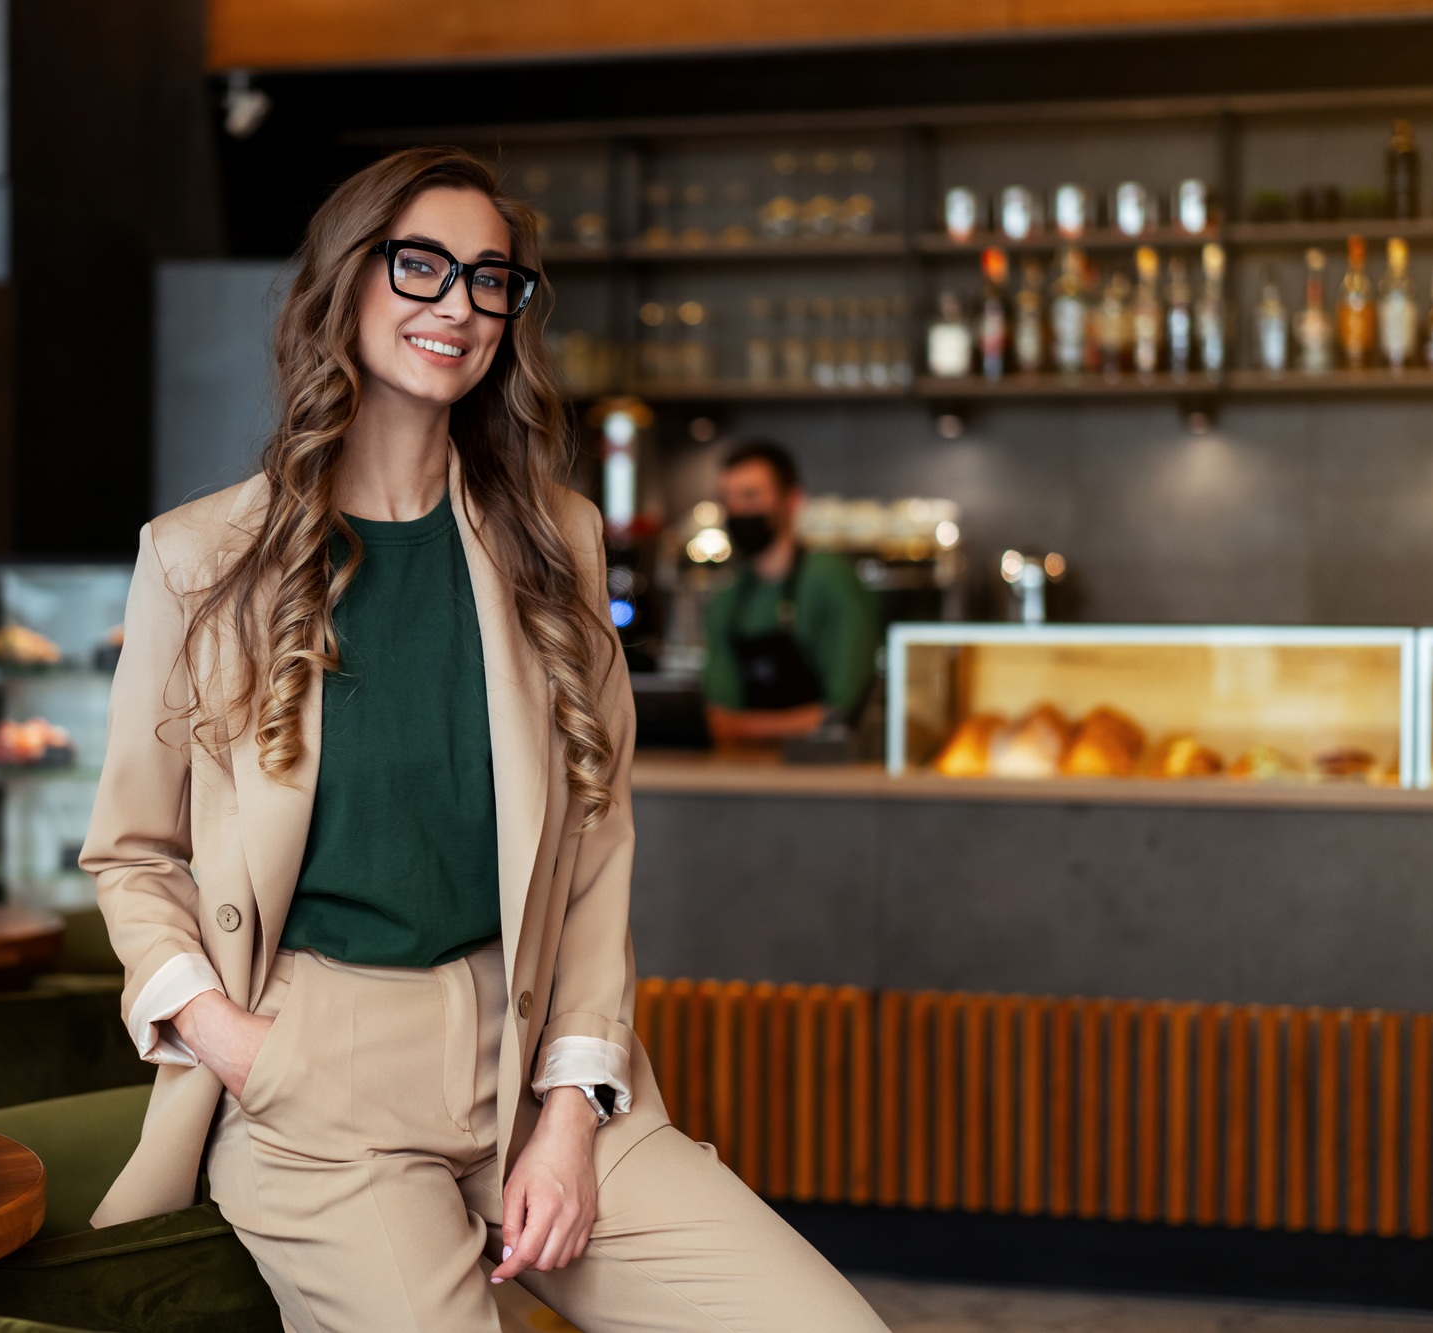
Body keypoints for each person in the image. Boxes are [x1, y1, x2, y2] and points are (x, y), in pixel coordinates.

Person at [80, 146, 889, 1333]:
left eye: (488, 278)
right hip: (319, 1076)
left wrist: (568, 1110)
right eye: (420, 267)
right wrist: (235, 1042)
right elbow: (132, 849)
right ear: (347, 282)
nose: (455, 304)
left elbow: (598, 849)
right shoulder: (201, 560)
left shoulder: (556, 543)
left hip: (531, 1063)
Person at [701, 441, 878, 747]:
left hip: (831, 771)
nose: (737, 510)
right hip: (747, 771)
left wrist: (741, 727)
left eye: (750, 496)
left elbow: (839, 712)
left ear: (792, 501)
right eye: (727, 500)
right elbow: (719, 711)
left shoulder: (831, 581)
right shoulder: (730, 594)